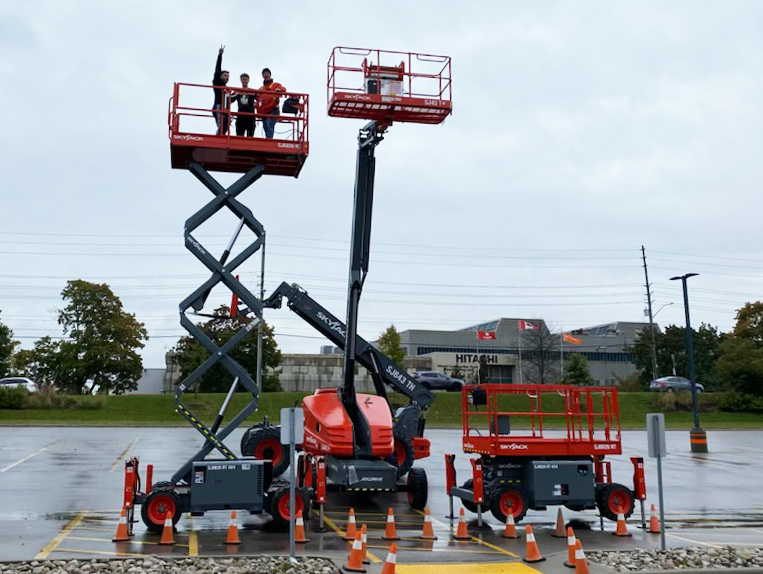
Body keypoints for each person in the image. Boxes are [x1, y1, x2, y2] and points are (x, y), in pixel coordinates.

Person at [257, 68, 285, 139]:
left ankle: (269, 141)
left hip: (273, 109)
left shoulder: (275, 85)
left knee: (269, 125)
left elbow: (283, 89)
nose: (266, 75)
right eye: (264, 74)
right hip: (264, 112)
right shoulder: (261, 89)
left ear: (270, 74)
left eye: (267, 73)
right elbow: (258, 99)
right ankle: (268, 140)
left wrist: (280, 90)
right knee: (265, 126)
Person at [212, 45, 230, 135]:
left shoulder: (227, 89)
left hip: (225, 109)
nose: (227, 77)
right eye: (225, 75)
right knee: (222, 127)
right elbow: (217, 69)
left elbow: (231, 99)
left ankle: (220, 137)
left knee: (225, 127)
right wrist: (220, 55)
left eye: (228, 76)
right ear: (221, 76)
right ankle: (217, 138)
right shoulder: (217, 82)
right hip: (218, 107)